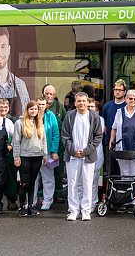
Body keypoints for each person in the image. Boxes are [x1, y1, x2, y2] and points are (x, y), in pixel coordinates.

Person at [60, 92, 103, 221]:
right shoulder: (69, 116)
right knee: (72, 183)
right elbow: (65, 136)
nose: (82, 103)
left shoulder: (94, 116)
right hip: (72, 156)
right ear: (75, 103)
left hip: (88, 156)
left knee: (87, 183)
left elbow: (98, 136)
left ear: (87, 102)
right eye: (79, 101)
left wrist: (86, 151)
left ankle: (86, 210)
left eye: (84, 101)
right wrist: (73, 151)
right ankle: (73, 210)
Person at [12, 101, 47, 216]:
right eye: (31, 109)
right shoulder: (19, 123)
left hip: (37, 156)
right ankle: (22, 206)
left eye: (35, 109)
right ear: (27, 110)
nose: (33, 111)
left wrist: (45, 154)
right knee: (24, 183)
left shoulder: (39, 123)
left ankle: (31, 206)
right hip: (25, 156)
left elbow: (43, 140)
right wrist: (16, 157)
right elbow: (16, 141)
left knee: (33, 182)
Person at [109, 89, 135, 178]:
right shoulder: (119, 112)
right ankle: (126, 192)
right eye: (130, 98)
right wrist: (111, 141)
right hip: (122, 148)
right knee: (124, 175)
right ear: (126, 99)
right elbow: (114, 128)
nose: (133, 101)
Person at [34, 98, 60, 211]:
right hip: (33, 153)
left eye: (43, 104)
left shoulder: (51, 116)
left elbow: (55, 134)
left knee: (48, 178)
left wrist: (54, 151)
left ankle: (47, 201)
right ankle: (32, 201)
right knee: (32, 179)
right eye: (39, 104)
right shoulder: (30, 115)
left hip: (47, 152)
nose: (40, 106)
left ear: (46, 105)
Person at [42, 84, 66, 204]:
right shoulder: (39, 108)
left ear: (55, 95)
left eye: (51, 94)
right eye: (47, 94)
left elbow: (65, 124)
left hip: (58, 144)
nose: (49, 96)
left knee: (58, 170)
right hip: (42, 144)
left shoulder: (60, 107)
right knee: (42, 171)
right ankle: (42, 194)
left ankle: (58, 193)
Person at [0, 98, 19, 211]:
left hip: (10, 152)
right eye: (1, 107)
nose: (3, 109)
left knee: (11, 176)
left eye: (5, 107)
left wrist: (10, 145)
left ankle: (11, 200)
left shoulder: (13, 120)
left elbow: (16, 135)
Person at [87, 98, 106, 212]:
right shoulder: (81, 119)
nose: (90, 109)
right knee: (84, 181)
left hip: (96, 152)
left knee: (93, 180)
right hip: (84, 153)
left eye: (92, 107)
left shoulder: (101, 120)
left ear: (97, 109)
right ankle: (85, 202)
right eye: (88, 107)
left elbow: (99, 133)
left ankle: (93, 202)